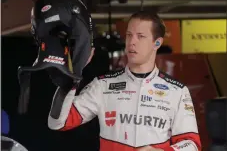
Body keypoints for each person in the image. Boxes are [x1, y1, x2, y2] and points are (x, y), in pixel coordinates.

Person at [48, 11, 201, 151]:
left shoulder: (177, 91)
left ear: (157, 43)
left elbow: (192, 144)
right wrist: (70, 79)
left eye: (140, 36)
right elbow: (58, 123)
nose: (132, 42)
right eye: (129, 35)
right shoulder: (103, 85)